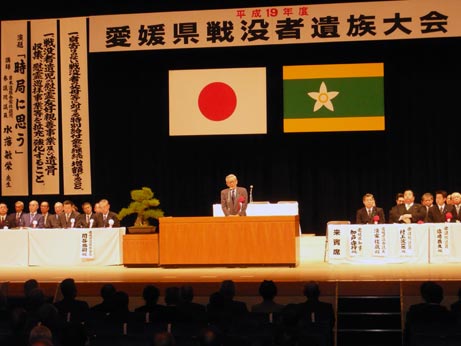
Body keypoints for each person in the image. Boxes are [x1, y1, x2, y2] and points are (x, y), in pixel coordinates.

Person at [404, 281, 454, 345]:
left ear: (424, 296)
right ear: (441, 297)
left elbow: (407, 336)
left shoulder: (414, 312)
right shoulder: (450, 316)